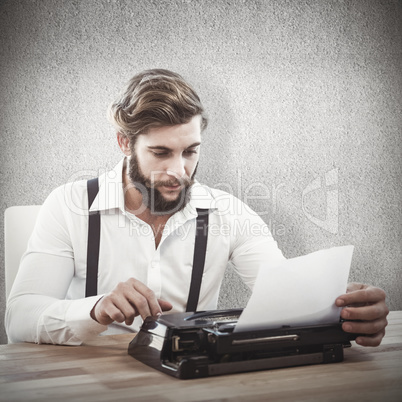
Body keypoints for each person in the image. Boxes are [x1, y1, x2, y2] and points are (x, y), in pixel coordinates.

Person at [5, 69, 389, 346]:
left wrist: (344, 313)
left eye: (190, 152)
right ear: (125, 144)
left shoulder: (231, 214)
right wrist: (95, 310)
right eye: (160, 152)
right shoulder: (68, 205)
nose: (178, 170)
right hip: (85, 382)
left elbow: (286, 301)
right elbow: (19, 318)